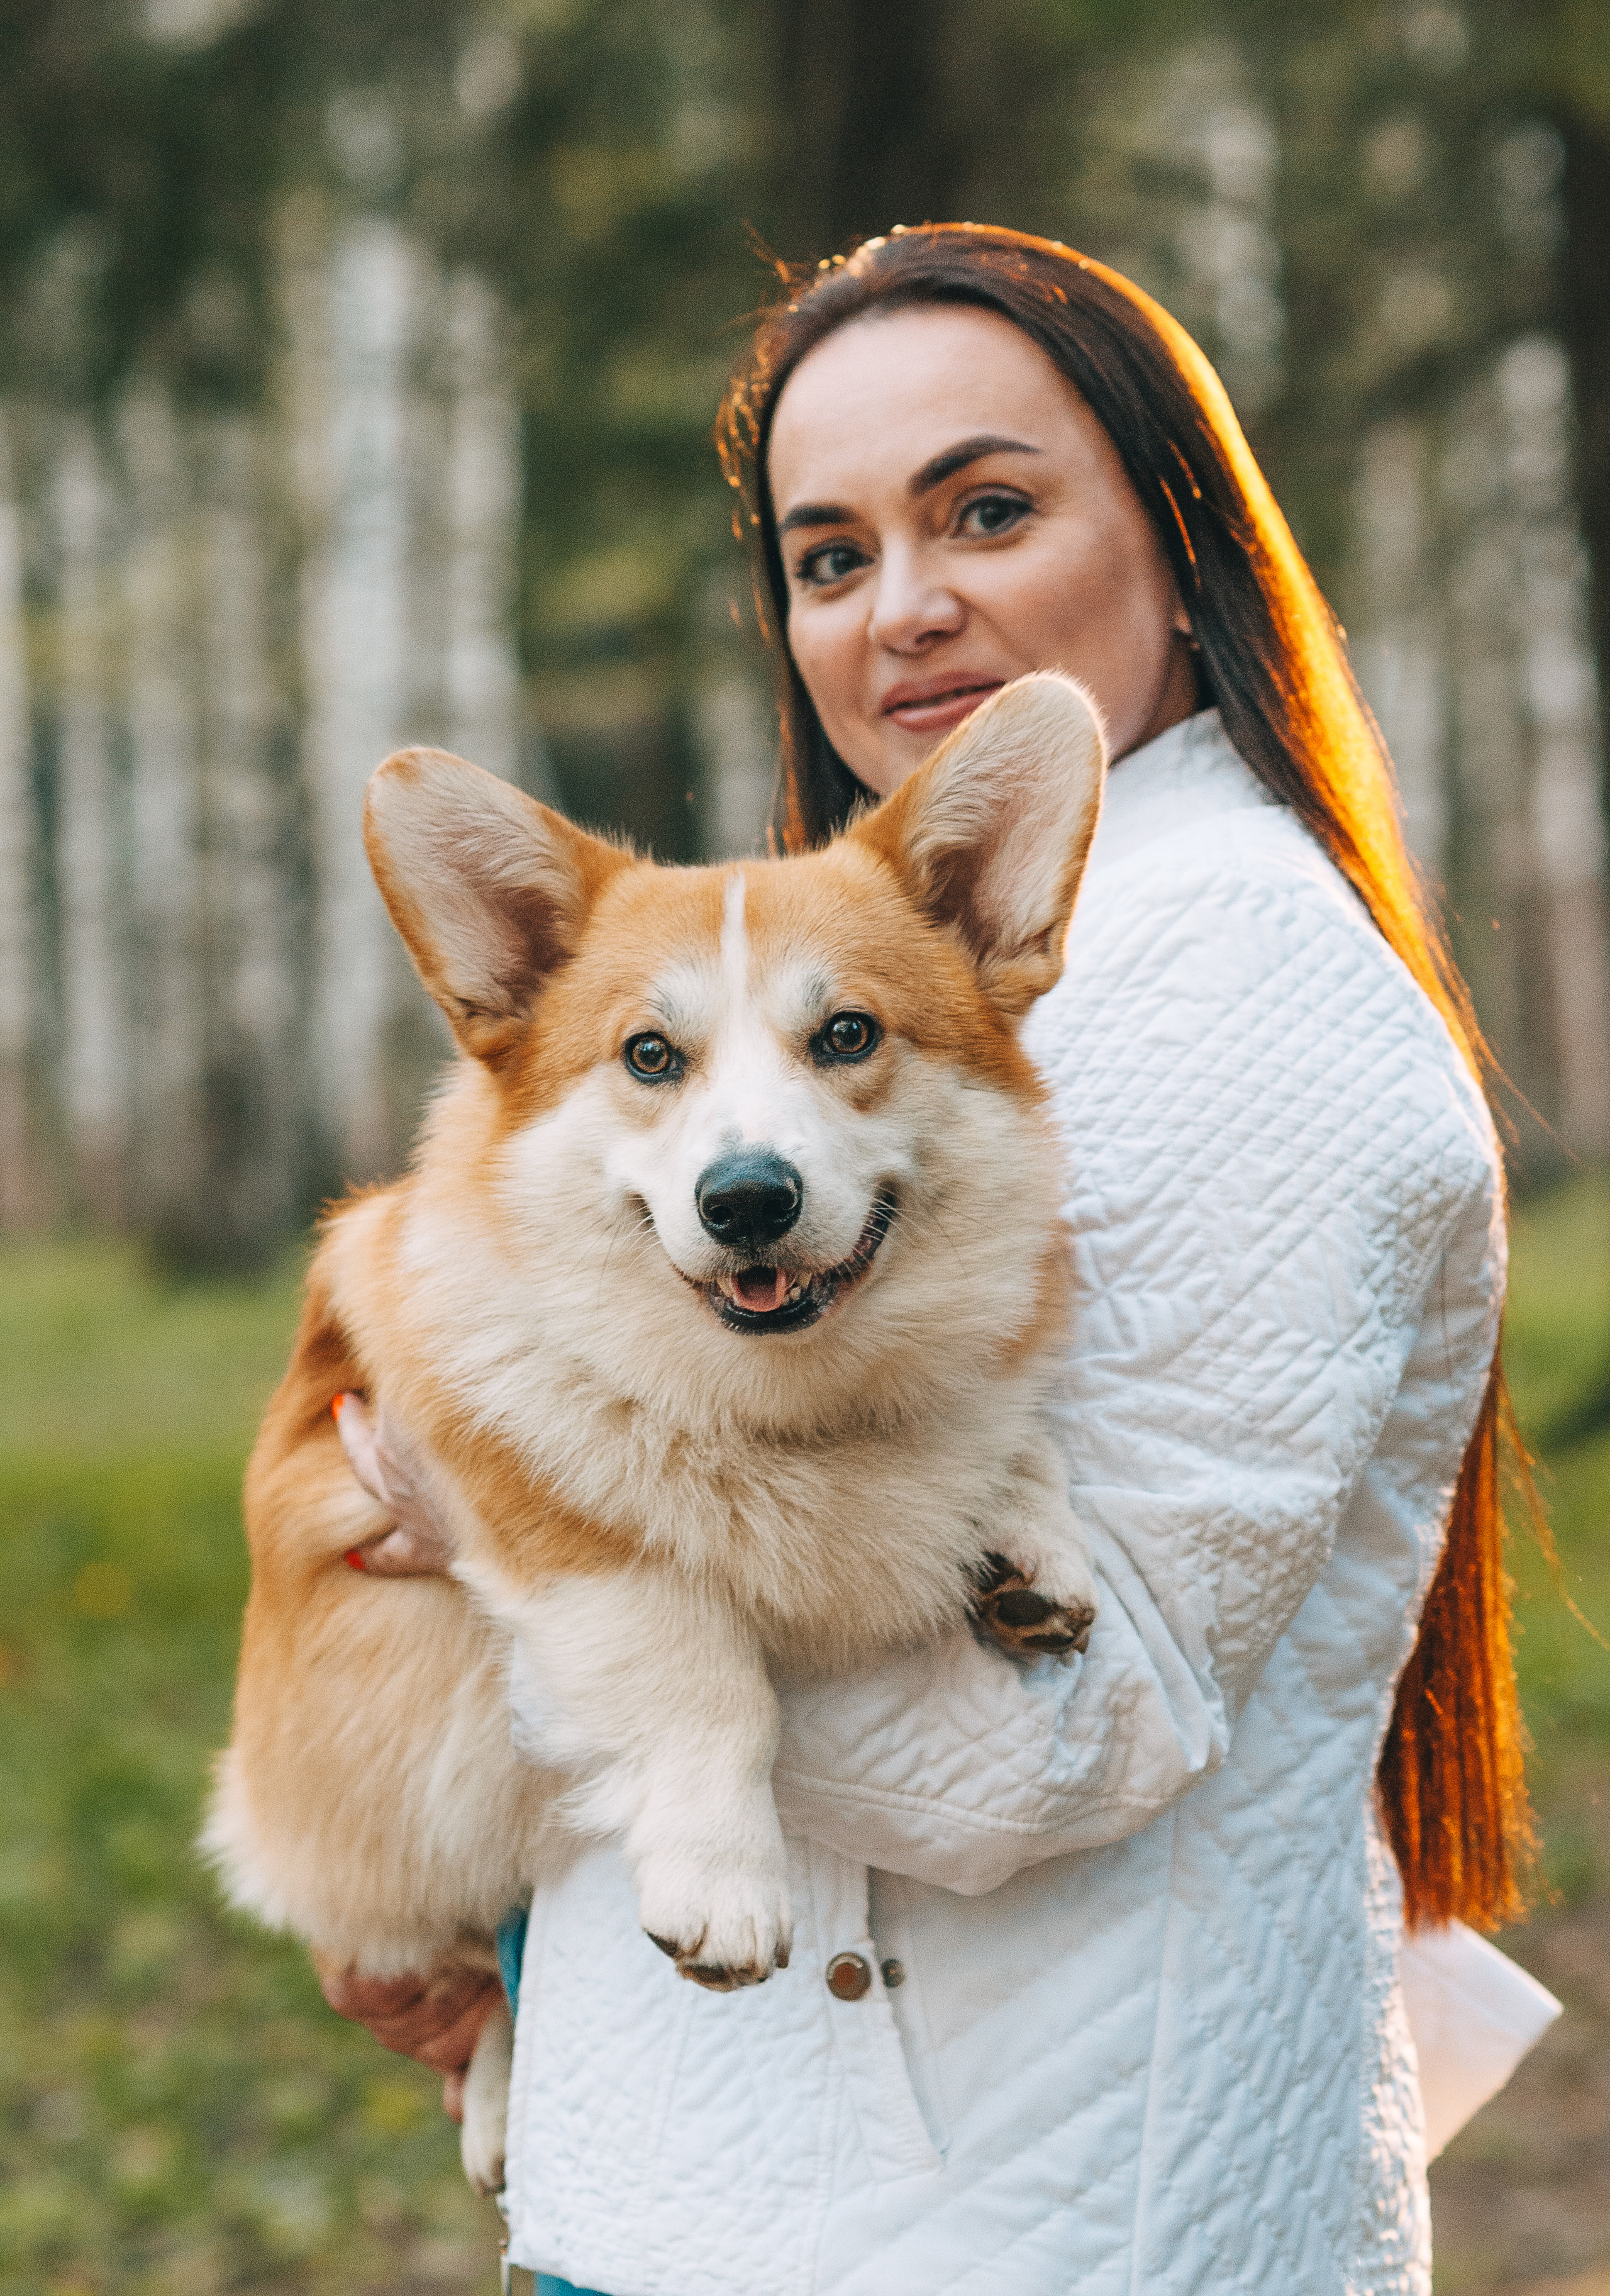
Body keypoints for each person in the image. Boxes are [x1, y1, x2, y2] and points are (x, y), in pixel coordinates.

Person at [319, 225, 1536, 2295]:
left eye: (985, 510)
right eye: (829, 554)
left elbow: (1057, 1736)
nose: (903, 607)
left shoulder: (1234, 983)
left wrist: (491, 1526)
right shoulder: (909, 937)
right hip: (766, 2191)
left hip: (990, 2234)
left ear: (1184, 535)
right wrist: (462, 1879)